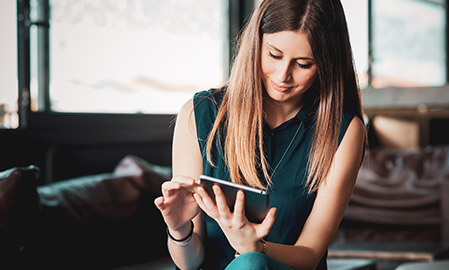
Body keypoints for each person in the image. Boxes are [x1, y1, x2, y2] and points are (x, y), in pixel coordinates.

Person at [154, 0, 366, 269]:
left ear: (326, 64)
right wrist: (179, 229)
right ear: (256, 44)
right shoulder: (199, 114)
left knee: (252, 263)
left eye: (303, 64)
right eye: (274, 55)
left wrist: (254, 247)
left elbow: (309, 255)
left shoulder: (343, 131)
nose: (283, 75)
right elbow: (189, 264)